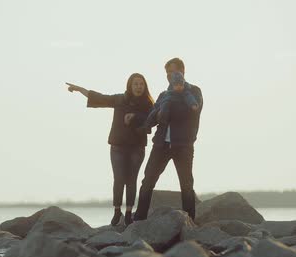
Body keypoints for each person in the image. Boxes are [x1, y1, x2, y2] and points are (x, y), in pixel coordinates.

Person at [66, 73, 154, 226]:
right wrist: (80, 89)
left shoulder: (148, 104)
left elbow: (152, 120)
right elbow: (100, 98)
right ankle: (117, 211)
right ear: (130, 85)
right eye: (136, 84)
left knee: (131, 180)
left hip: (137, 147)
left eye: (141, 84)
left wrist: (135, 117)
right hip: (118, 146)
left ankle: (128, 213)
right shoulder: (120, 99)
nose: (139, 87)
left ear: (144, 86)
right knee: (119, 179)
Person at [133, 58, 203, 221]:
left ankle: (189, 222)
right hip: (161, 144)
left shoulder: (194, 92)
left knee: (186, 186)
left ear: (182, 72)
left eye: (172, 72)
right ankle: (139, 220)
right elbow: (154, 115)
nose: (169, 76)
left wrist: (167, 109)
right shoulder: (163, 95)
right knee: (147, 181)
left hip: (183, 145)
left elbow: (191, 112)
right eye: (167, 73)